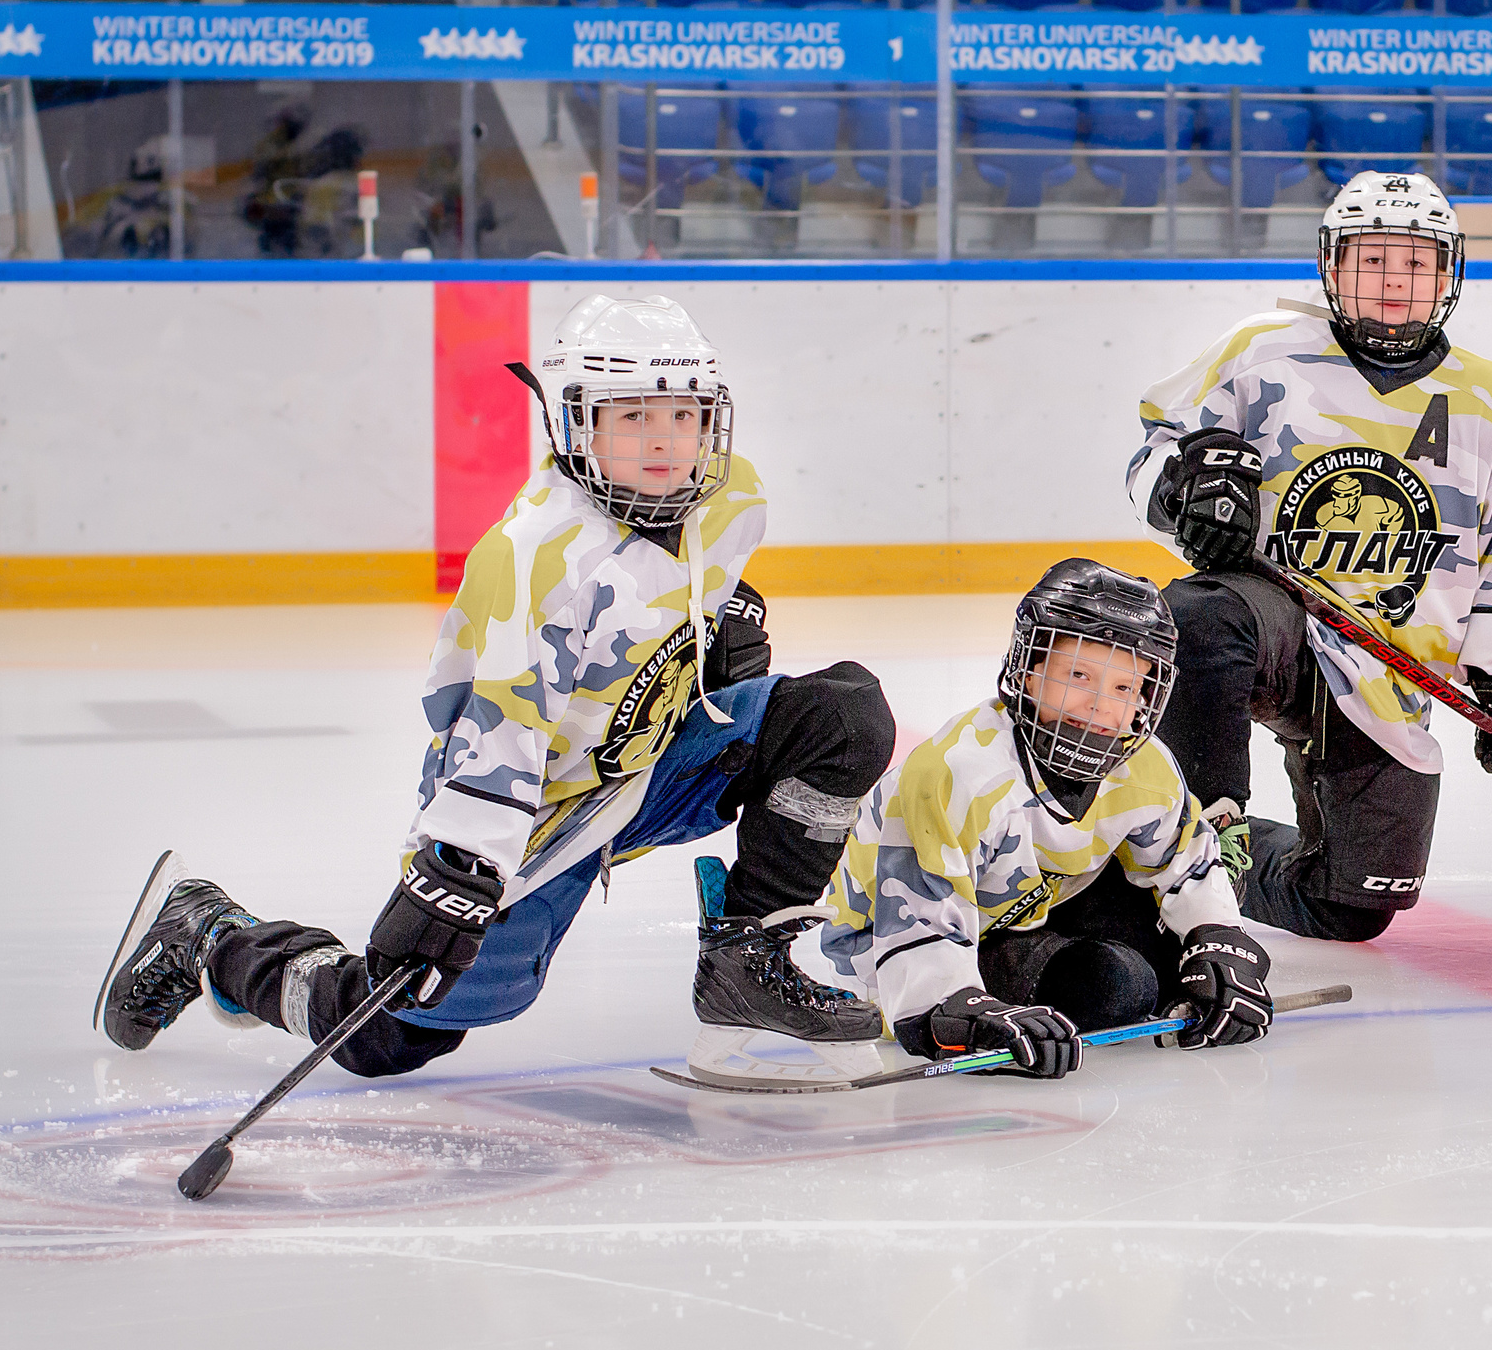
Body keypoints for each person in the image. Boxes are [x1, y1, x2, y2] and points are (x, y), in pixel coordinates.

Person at [94, 294, 896, 1079]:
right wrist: (462, 868)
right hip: (540, 804)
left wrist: (716, 627)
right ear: (576, 423)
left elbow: (683, 585)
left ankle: (746, 962)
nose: (665, 439)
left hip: (652, 765)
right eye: (633, 416)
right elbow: (501, 732)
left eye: (683, 414)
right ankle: (212, 935)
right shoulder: (536, 557)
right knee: (388, 1034)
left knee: (841, 717)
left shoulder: (733, 498)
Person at [1125, 170, 1492, 944]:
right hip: (1278, 619)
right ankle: (1196, 836)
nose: (1394, 281)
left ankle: (1222, 862)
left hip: (1387, 668)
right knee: (1201, 615)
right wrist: (1183, 488)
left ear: (1448, 274)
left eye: (1415, 263)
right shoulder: (1262, 353)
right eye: (1373, 260)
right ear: (1333, 265)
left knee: (1352, 903)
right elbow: (1156, 446)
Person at [789, 559, 1270, 1081]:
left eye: (1124, 688)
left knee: (1177, 964)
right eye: (1079, 675)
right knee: (1115, 987)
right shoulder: (959, 772)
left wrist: (1217, 937)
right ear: (1028, 669)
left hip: (1028, 907)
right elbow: (913, 917)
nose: (1099, 706)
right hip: (885, 942)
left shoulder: (1146, 765)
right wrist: (954, 1010)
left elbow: (1186, 864)